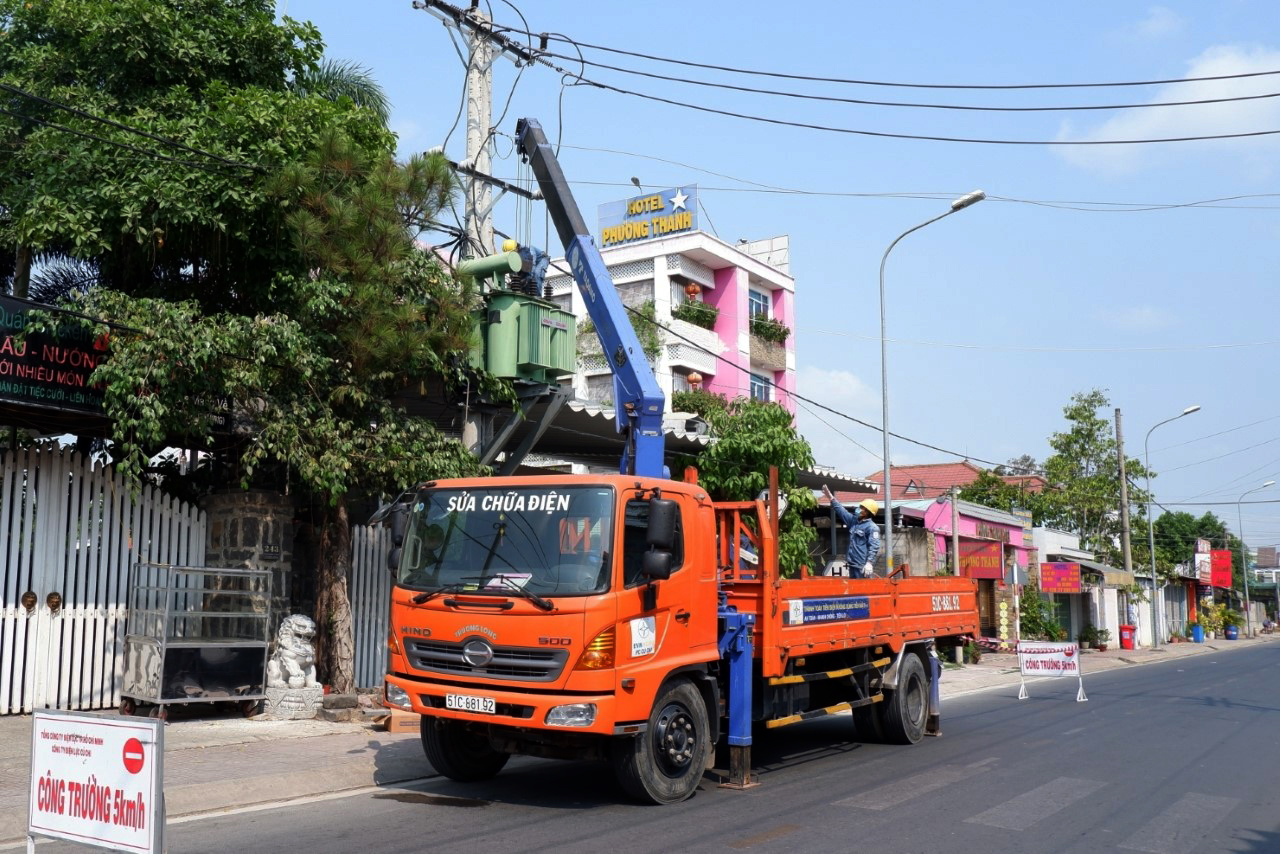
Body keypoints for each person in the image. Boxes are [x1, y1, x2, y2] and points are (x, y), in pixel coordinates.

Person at [821, 486, 881, 578]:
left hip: (862, 566)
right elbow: (842, 512)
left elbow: (874, 546)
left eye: (862, 508)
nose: (859, 509)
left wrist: (869, 563)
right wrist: (831, 498)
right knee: (854, 590)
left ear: (867, 512)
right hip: (852, 564)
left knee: (861, 591)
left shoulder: (872, 528)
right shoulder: (854, 521)